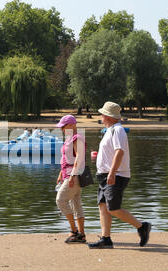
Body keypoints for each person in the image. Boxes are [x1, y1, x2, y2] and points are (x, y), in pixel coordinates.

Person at [89, 102, 151, 249]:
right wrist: (100, 157)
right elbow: (113, 151)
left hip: (115, 175)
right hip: (105, 175)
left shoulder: (118, 130)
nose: (101, 117)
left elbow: (119, 152)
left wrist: (112, 173)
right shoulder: (110, 130)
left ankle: (142, 226)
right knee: (103, 206)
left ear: (108, 117)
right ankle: (106, 239)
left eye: (102, 114)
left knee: (113, 208)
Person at [55, 115, 87, 244]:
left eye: (64, 126)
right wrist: (60, 174)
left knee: (60, 200)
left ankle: (74, 231)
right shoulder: (69, 138)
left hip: (75, 175)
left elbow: (79, 158)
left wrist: (73, 175)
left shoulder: (77, 138)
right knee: (76, 204)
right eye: (61, 127)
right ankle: (82, 235)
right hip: (68, 174)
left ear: (72, 125)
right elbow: (67, 158)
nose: (62, 129)